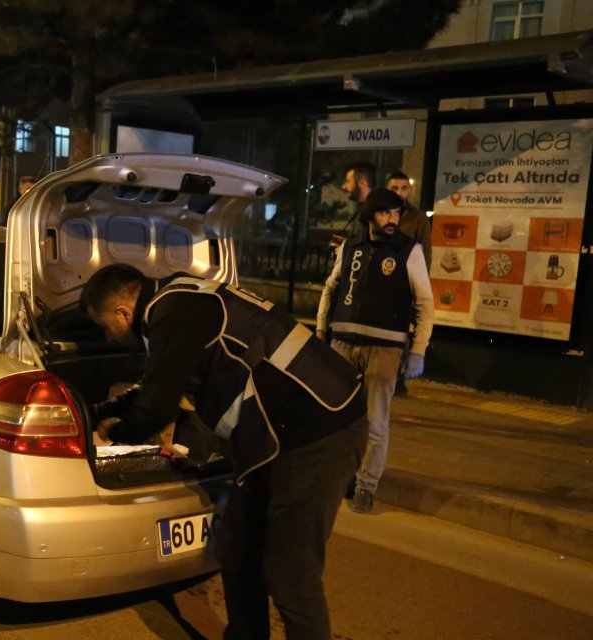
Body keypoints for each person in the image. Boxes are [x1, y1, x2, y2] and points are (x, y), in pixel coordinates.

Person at [82, 265, 366, 640]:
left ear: (123, 312)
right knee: (238, 552)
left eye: (105, 327)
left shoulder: (172, 312)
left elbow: (155, 407)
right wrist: (97, 413)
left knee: (291, 575)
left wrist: (115, 432)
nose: (108, 336)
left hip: (317, 430)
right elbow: (155, 386)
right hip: (274, 438)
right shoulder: (177, 300)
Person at [316, 188, 433, 514]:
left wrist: (418, 350)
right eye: (386, 213)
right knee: (337, 417)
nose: (393, 219)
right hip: (342, 344)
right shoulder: (351, 245)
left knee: (375, 423)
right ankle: (343, 478)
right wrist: (321, 328)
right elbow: (331, 287)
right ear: (371, 215)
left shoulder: (409, 251)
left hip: (385, 350)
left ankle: (366, 487)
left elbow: (425, 304)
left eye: (397, 213)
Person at [386, 171, 431, 396]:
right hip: (384, 280)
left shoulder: (418, 218)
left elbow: (425, 253)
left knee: (404, 330)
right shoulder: (382, 215)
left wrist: (420, 286)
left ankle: (400, 377)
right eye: (395, 188)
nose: (400, 192)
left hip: (407, 282)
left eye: (404, 188)